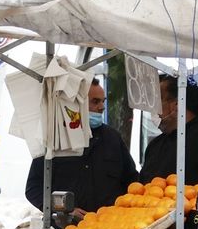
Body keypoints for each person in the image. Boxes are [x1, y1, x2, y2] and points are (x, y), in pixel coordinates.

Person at [25, 82, 138, 217]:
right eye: (95, 102)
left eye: (103, 101)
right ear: (76, 103)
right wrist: (63, 209)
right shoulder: (56, 139)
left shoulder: (112, 138)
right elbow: (33, 188)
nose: (101, 107)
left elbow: (132, 180)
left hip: (111, 228)